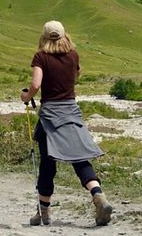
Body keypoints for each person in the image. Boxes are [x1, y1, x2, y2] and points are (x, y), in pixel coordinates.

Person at [20, 20, 113, 227]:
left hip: (51, 115)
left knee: (47, 163)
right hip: (71, 111)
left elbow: (36, 84)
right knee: (80, 158)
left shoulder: (41, 57)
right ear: (64, 35)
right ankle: (98, 195)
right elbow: (76, 75)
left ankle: (43, 213)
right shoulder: (73, 55)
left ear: (44, 37)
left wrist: (27, 96)